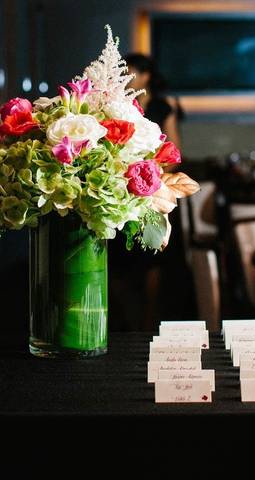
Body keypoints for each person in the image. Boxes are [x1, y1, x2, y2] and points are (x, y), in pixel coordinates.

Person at [108, 53, 189, 331]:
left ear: (146, 76)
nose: (127, 79)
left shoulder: (162, 106)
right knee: (119, 254)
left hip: (152, 185)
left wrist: (150, 166)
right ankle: (126, 316)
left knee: (153, 256)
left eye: (132, 73)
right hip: (124, 186)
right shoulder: (122, 106)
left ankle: (149, 318)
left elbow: (174, 153)